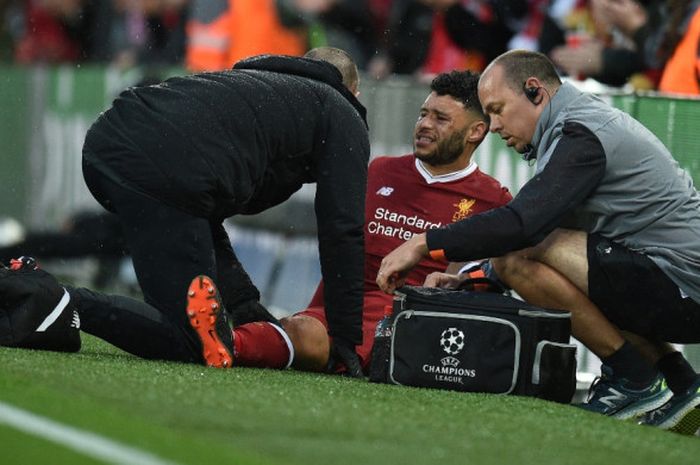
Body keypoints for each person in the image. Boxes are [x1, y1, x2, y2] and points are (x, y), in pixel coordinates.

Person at [376, 50, 700, 433]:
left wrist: (423, 243)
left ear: (534, 91)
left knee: (516, 254)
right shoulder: (575, 125)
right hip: (671, 283)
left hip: (681, 289)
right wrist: (472, 278)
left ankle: (634, 380)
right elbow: (542, 237)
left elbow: (522, 227)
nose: (493, 125)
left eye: (497, 109)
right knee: (526, 259)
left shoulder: (580, 132)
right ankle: (682, 385)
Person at [69, 47, 369, 374]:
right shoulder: (340, 110)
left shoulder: (249, 81)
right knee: (194, 342)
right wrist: (344, 337)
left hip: (106, 145)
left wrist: (243, 303)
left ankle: (42, 298)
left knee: (193, 322)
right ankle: (47, 297)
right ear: (354, 91)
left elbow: (199, 208)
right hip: (162, 169)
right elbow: (342, 228)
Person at [223, 70, 512, 374]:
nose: (424, 125)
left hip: (408, 323)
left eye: (441, 119)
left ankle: (220, 342)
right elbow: (342, 245)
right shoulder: (380, 171)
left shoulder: (492, 200)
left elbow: (492, 274)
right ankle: (211, 341)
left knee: (303, 335)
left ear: (475, 132)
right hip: (340, 310)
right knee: (298, 330)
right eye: (422, 114)